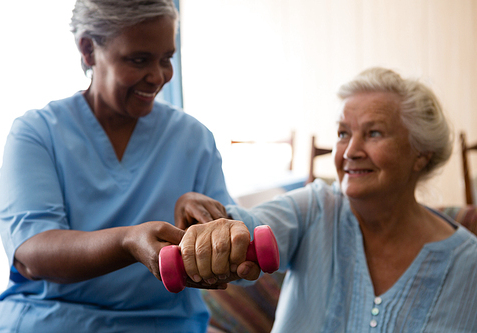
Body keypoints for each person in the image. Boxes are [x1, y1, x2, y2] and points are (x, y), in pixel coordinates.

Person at [0, 1, 258, 332]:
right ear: (88, 50)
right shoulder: (37, 132)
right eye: (139, 60)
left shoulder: (193, 138)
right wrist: (127, 242)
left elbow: (231, 247)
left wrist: (211, 238)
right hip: (51, 320)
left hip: (162, 323)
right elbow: (32, 252)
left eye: (166, 59)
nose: (158, 76)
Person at [174, 67, 477, 332]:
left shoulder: (467, 263)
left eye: (373, 133)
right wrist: (213, 225)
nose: (350, 151)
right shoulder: (317, 207)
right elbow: (248, 229)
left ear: (421, 154)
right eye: (343, 133)